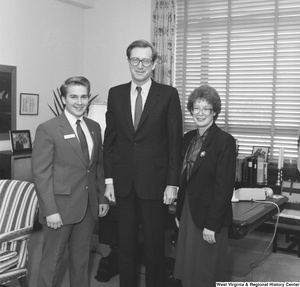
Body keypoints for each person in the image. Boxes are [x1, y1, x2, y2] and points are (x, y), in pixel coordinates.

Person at [103, 40, 182, 287]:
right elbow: (110, 140)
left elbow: (174, 144)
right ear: (128, 61)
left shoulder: (168, 94)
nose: (140, 65)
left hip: (155, 185)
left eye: (146, 60)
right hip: (124, 184)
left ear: (154, 64)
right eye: (135, 60)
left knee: (154, 247)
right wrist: (108, 180)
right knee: (125, 247)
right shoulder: (115, 93)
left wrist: (172, 184)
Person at [32, 76, 109, 287]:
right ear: (64, 98)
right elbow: (41, 174)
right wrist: (50, 211)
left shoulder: (94, 127)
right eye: (73, 96)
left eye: (84, 96)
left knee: (81, 261)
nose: (79, 101)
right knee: (52, 261)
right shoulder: (48, 128)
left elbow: (97, 166)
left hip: (88, 207)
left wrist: (101, 197)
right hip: (59, 208)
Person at [174, 85, 236, 287]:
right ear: (191, 110)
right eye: (196, 108)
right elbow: (184, 179)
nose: (200, 113)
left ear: (214, 112)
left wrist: (212, 224)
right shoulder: (188, 138)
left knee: (206, 270)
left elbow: (224, 186)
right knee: (188, 266)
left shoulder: (224, 141)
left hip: (210, 215)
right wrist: (178, 213)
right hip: (188, 210)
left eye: (206, 108)